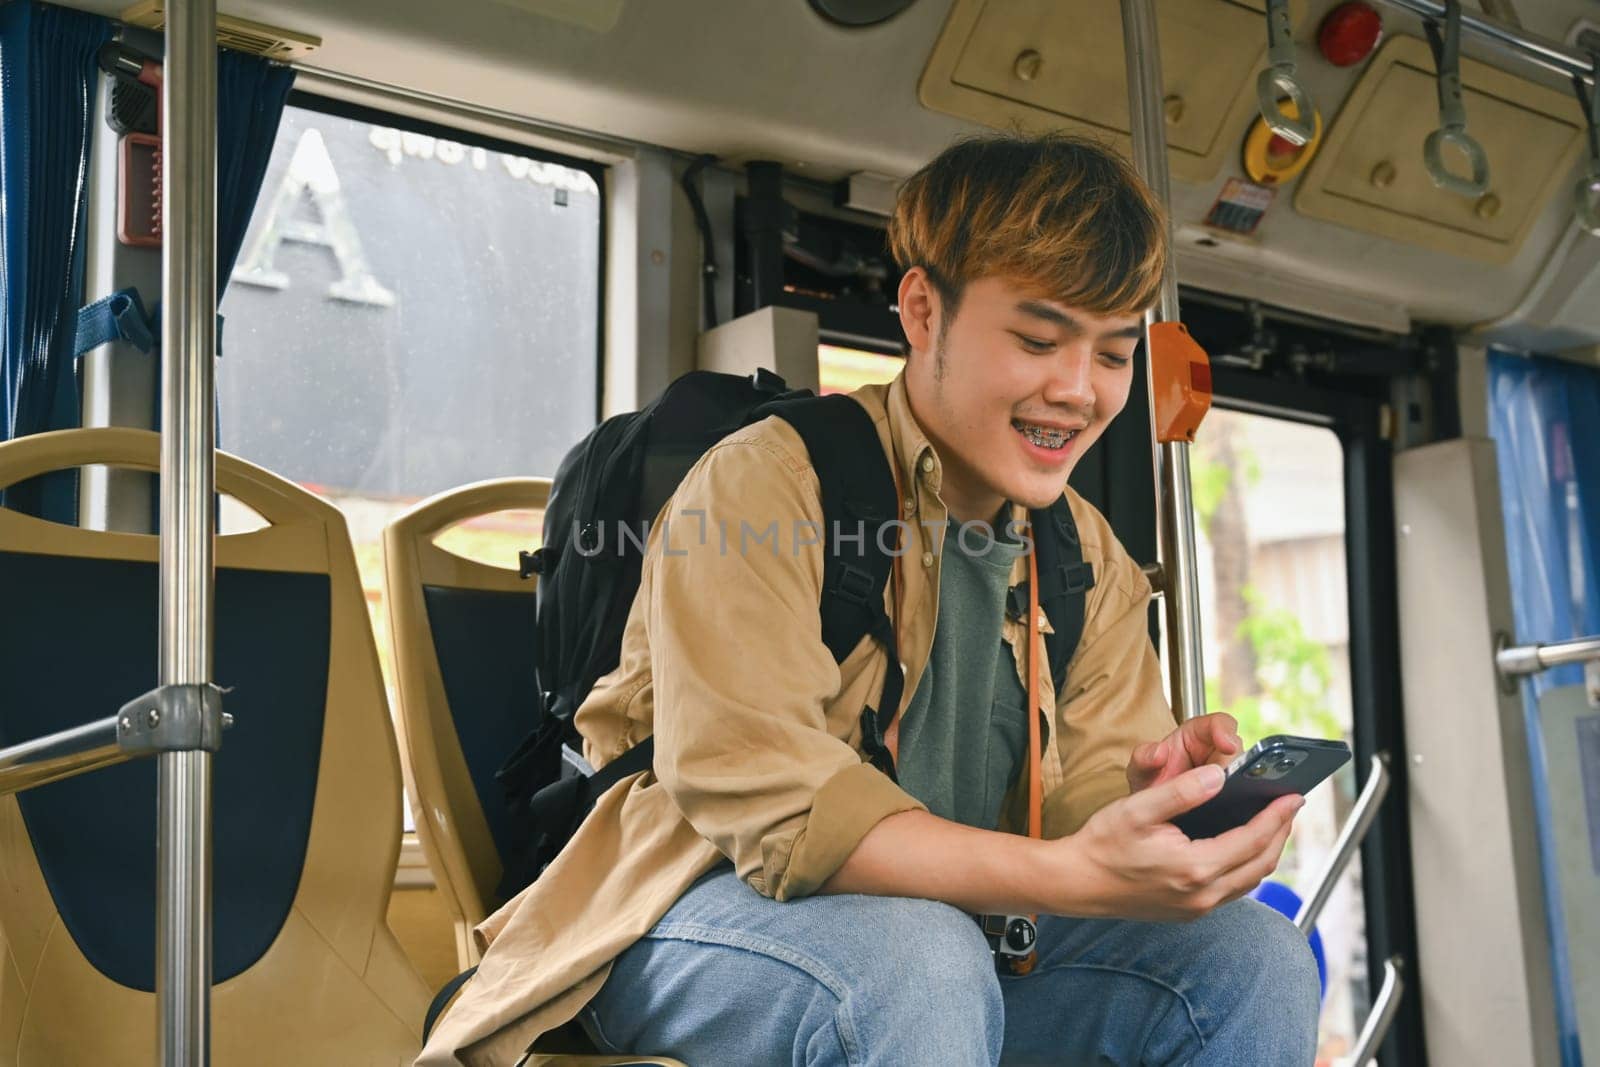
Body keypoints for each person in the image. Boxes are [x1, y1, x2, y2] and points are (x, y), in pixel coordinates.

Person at [417, 132, 1320, 1067]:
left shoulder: (1087, 551)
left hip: (953, 948)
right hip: (676, 922)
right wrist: (1061, 872)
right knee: (916, 960)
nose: (1079, 391)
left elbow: (1082, 799)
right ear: (923, 312)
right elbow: (776, 806)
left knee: (1253, 957)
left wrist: (1142, 803)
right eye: (1039, 340)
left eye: (1114, 354)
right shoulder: (764, 487)